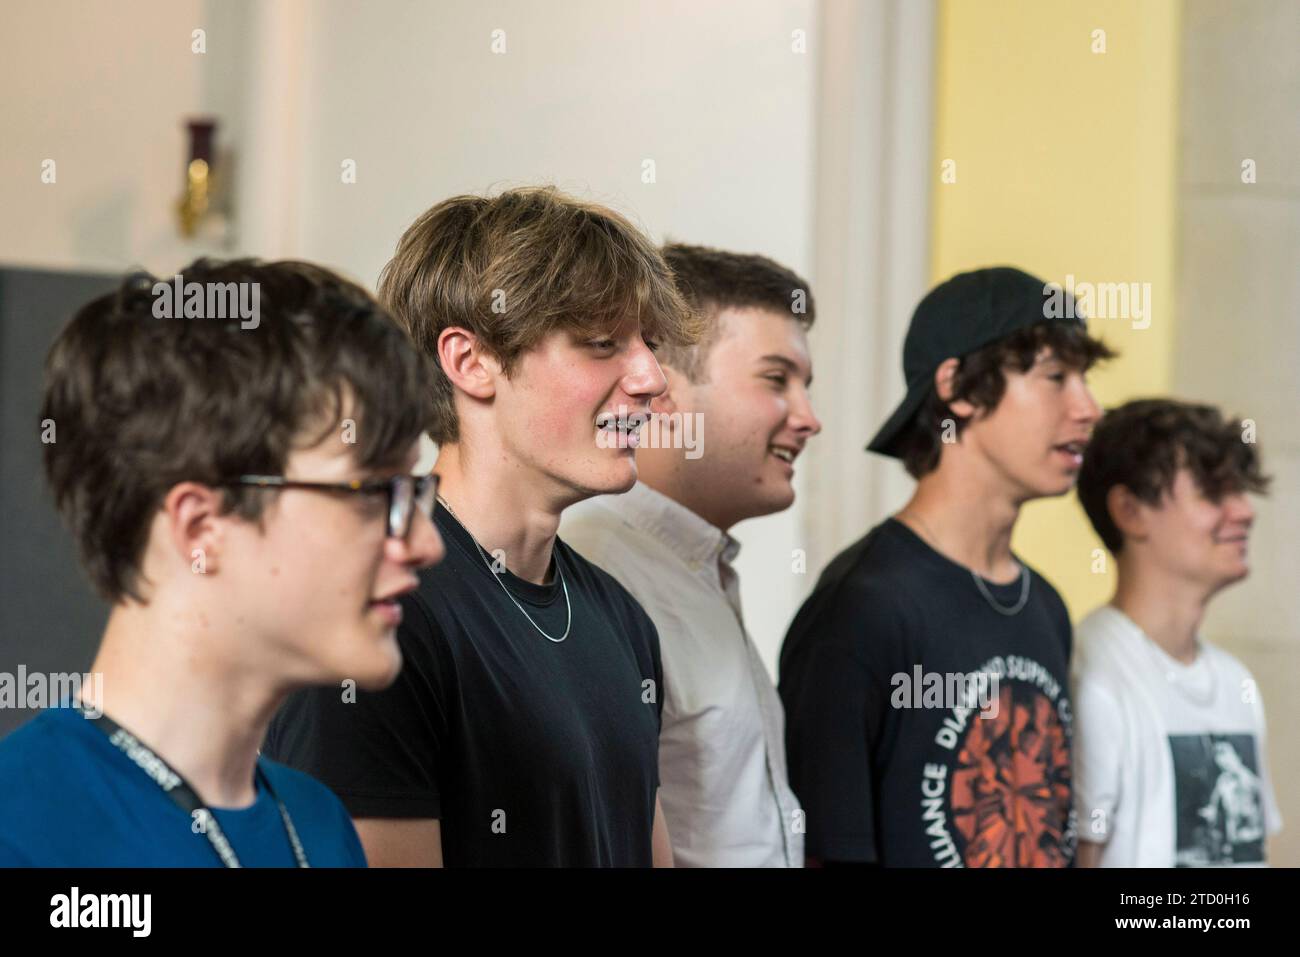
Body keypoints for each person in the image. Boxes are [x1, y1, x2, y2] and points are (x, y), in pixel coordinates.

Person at [264, 187, 701, 867]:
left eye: (649, 344)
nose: (650, 376)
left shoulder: (621, 619)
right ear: (470, 362)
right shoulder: (379, 611)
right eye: (601, 343)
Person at [0, 258, 443, 866]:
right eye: (373, 492)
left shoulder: (319, 826)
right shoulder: (22, 827)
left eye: (413, 491)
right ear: (201, 526)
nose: (426, 543)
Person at [779, 266, 1113, 867]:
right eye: (1056, 377)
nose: (1087, 407)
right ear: (957, 387)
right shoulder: (862, 608)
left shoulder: (1045, 605)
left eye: (1084, 379)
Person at [561, 242, 822, 866]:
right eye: (775, 380)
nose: (809, 419)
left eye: (805, 386)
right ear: (665, 388)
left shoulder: (696, 566)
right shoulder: (596, 571)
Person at [1072, 398, 1282, 867]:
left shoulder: (1237, 683)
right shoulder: (1093, 679)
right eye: (1213, 492)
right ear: (1130, 510)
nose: (1244, 511)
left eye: (1241, 490)